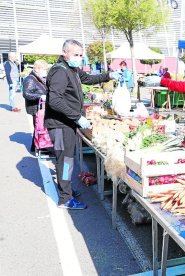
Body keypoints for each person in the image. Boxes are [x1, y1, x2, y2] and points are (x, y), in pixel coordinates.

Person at [45, 39, 119, 209]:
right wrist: (76, 116)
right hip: (59, 124)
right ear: (65, 53)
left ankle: (66, 189)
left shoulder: (72, 69)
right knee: (65, 161)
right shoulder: (60, 72)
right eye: (76, 54)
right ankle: (65, 198)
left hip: (67, 123)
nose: (79, 57)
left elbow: (88, 78)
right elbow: (54, 100)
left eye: (80, 55)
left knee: (68, 159)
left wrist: (108, 75)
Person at [22, 59, 49, 152]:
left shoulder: (38, 78)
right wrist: (40, 96)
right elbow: (26, 94)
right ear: (38, 68)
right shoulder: (30, 79)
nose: (45, 71)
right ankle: (39, 146)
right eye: (44, 69)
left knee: (38, 127)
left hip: (39, 106)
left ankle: (36, 146)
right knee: (38, 126)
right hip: (35, 107)